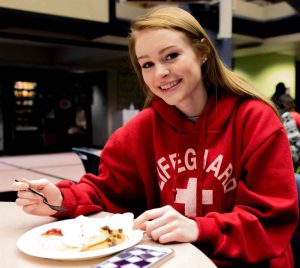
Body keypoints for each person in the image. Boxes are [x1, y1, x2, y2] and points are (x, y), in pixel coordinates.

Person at [12, 6, 298, 267]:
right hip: (174, 259)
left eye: (171, 56)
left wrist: (198, 227)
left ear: (202, 52)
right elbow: (107, 191)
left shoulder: (255, 119)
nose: (160, 72)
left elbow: (269, 220)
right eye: (147, 64)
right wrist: (61, 197)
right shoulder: (144, 127)